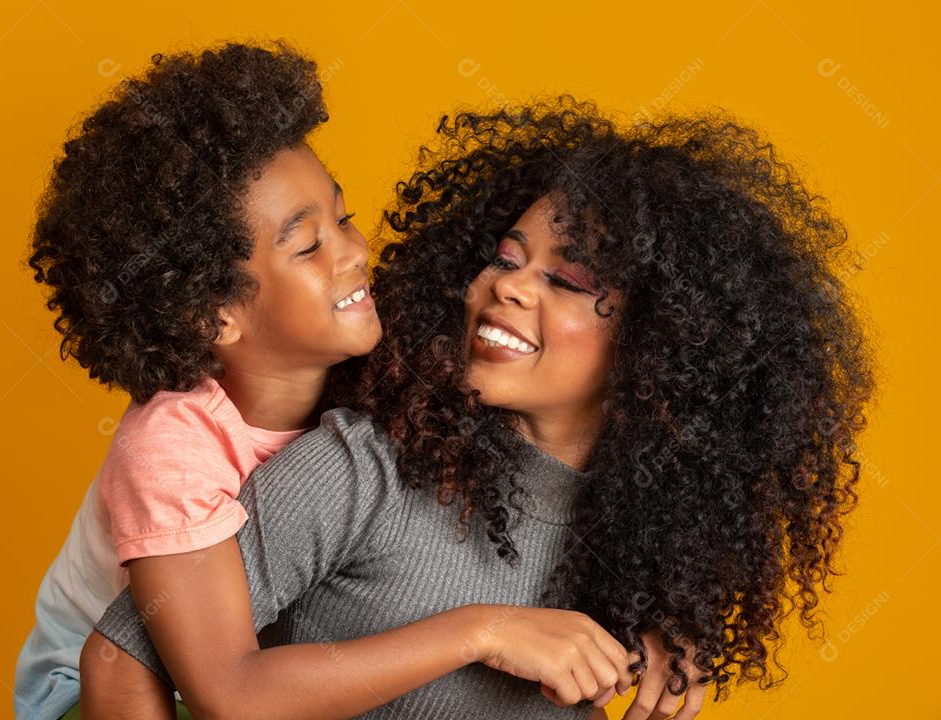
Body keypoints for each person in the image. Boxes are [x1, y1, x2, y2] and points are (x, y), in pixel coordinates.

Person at [82, 99, 873, 718]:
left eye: (568, 281)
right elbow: (133, 661)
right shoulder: (360, 464)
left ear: (663, 345)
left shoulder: (648, 553)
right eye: (505, 257)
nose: (509, 285)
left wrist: (670, 613)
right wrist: (481, 630)